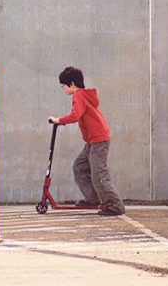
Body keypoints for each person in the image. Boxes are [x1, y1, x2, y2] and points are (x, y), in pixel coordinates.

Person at [48, 66, 126, 216]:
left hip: (98, 140)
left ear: (71, 84)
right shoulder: (83, 95)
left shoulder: (79, 95)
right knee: (79, 167)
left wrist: (58, 120)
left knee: (99, 174)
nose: (62, 89)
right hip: (92, 141)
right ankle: (92, 198)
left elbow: (75, 115)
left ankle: (115, 205)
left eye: (63, 86)